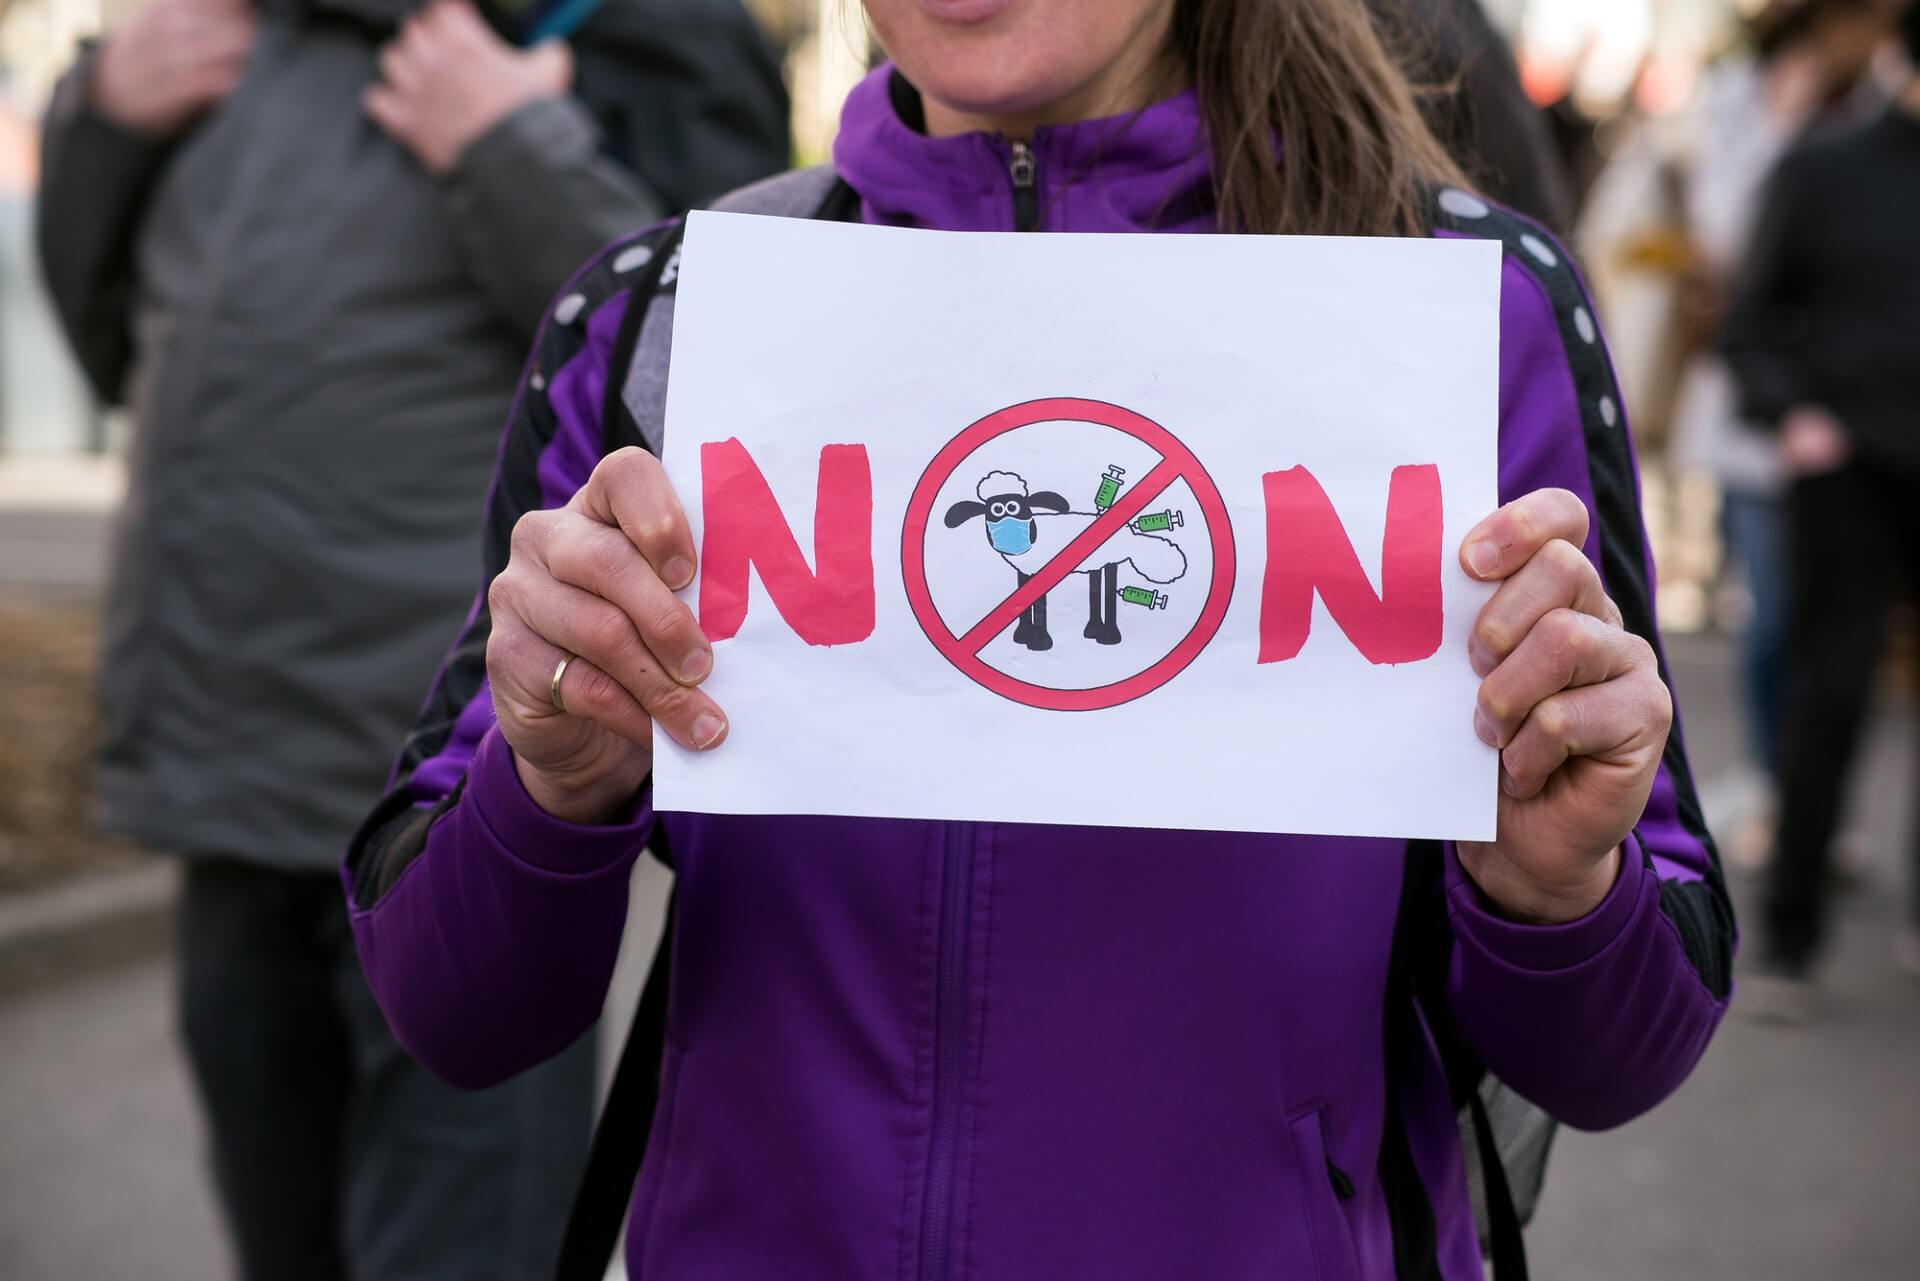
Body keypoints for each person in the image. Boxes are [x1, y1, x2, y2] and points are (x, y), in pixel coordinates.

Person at [347, 1, 1734, 1276]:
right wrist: (549, 788)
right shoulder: (672, 321)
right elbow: (455, 1011)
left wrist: (1562, 889)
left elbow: (1622, 1052)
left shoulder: (1457, 314)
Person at [34, 1, 786, 1277]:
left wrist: (512, 152)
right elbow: (108, 348)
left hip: (455, 814)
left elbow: (738, 399)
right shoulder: (208, 34)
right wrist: (98, 125)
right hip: (224, 786)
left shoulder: (632, 31)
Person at [1723, 0, 1920, 1010]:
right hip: (1849, 469)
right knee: (1830, 692)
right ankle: (1790, 941)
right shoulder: (1826, 170)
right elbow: (1750, 322)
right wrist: (1793, 412)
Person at [1670, 0, 1892, 860]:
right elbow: (1724, 229)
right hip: (1761, 406)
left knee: (1832, 628)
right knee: (1770, 611)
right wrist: (1782, 132)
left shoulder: (1878, 108)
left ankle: (1810, 804)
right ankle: (1773, 782)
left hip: (1852, 415)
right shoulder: (1738, 101)